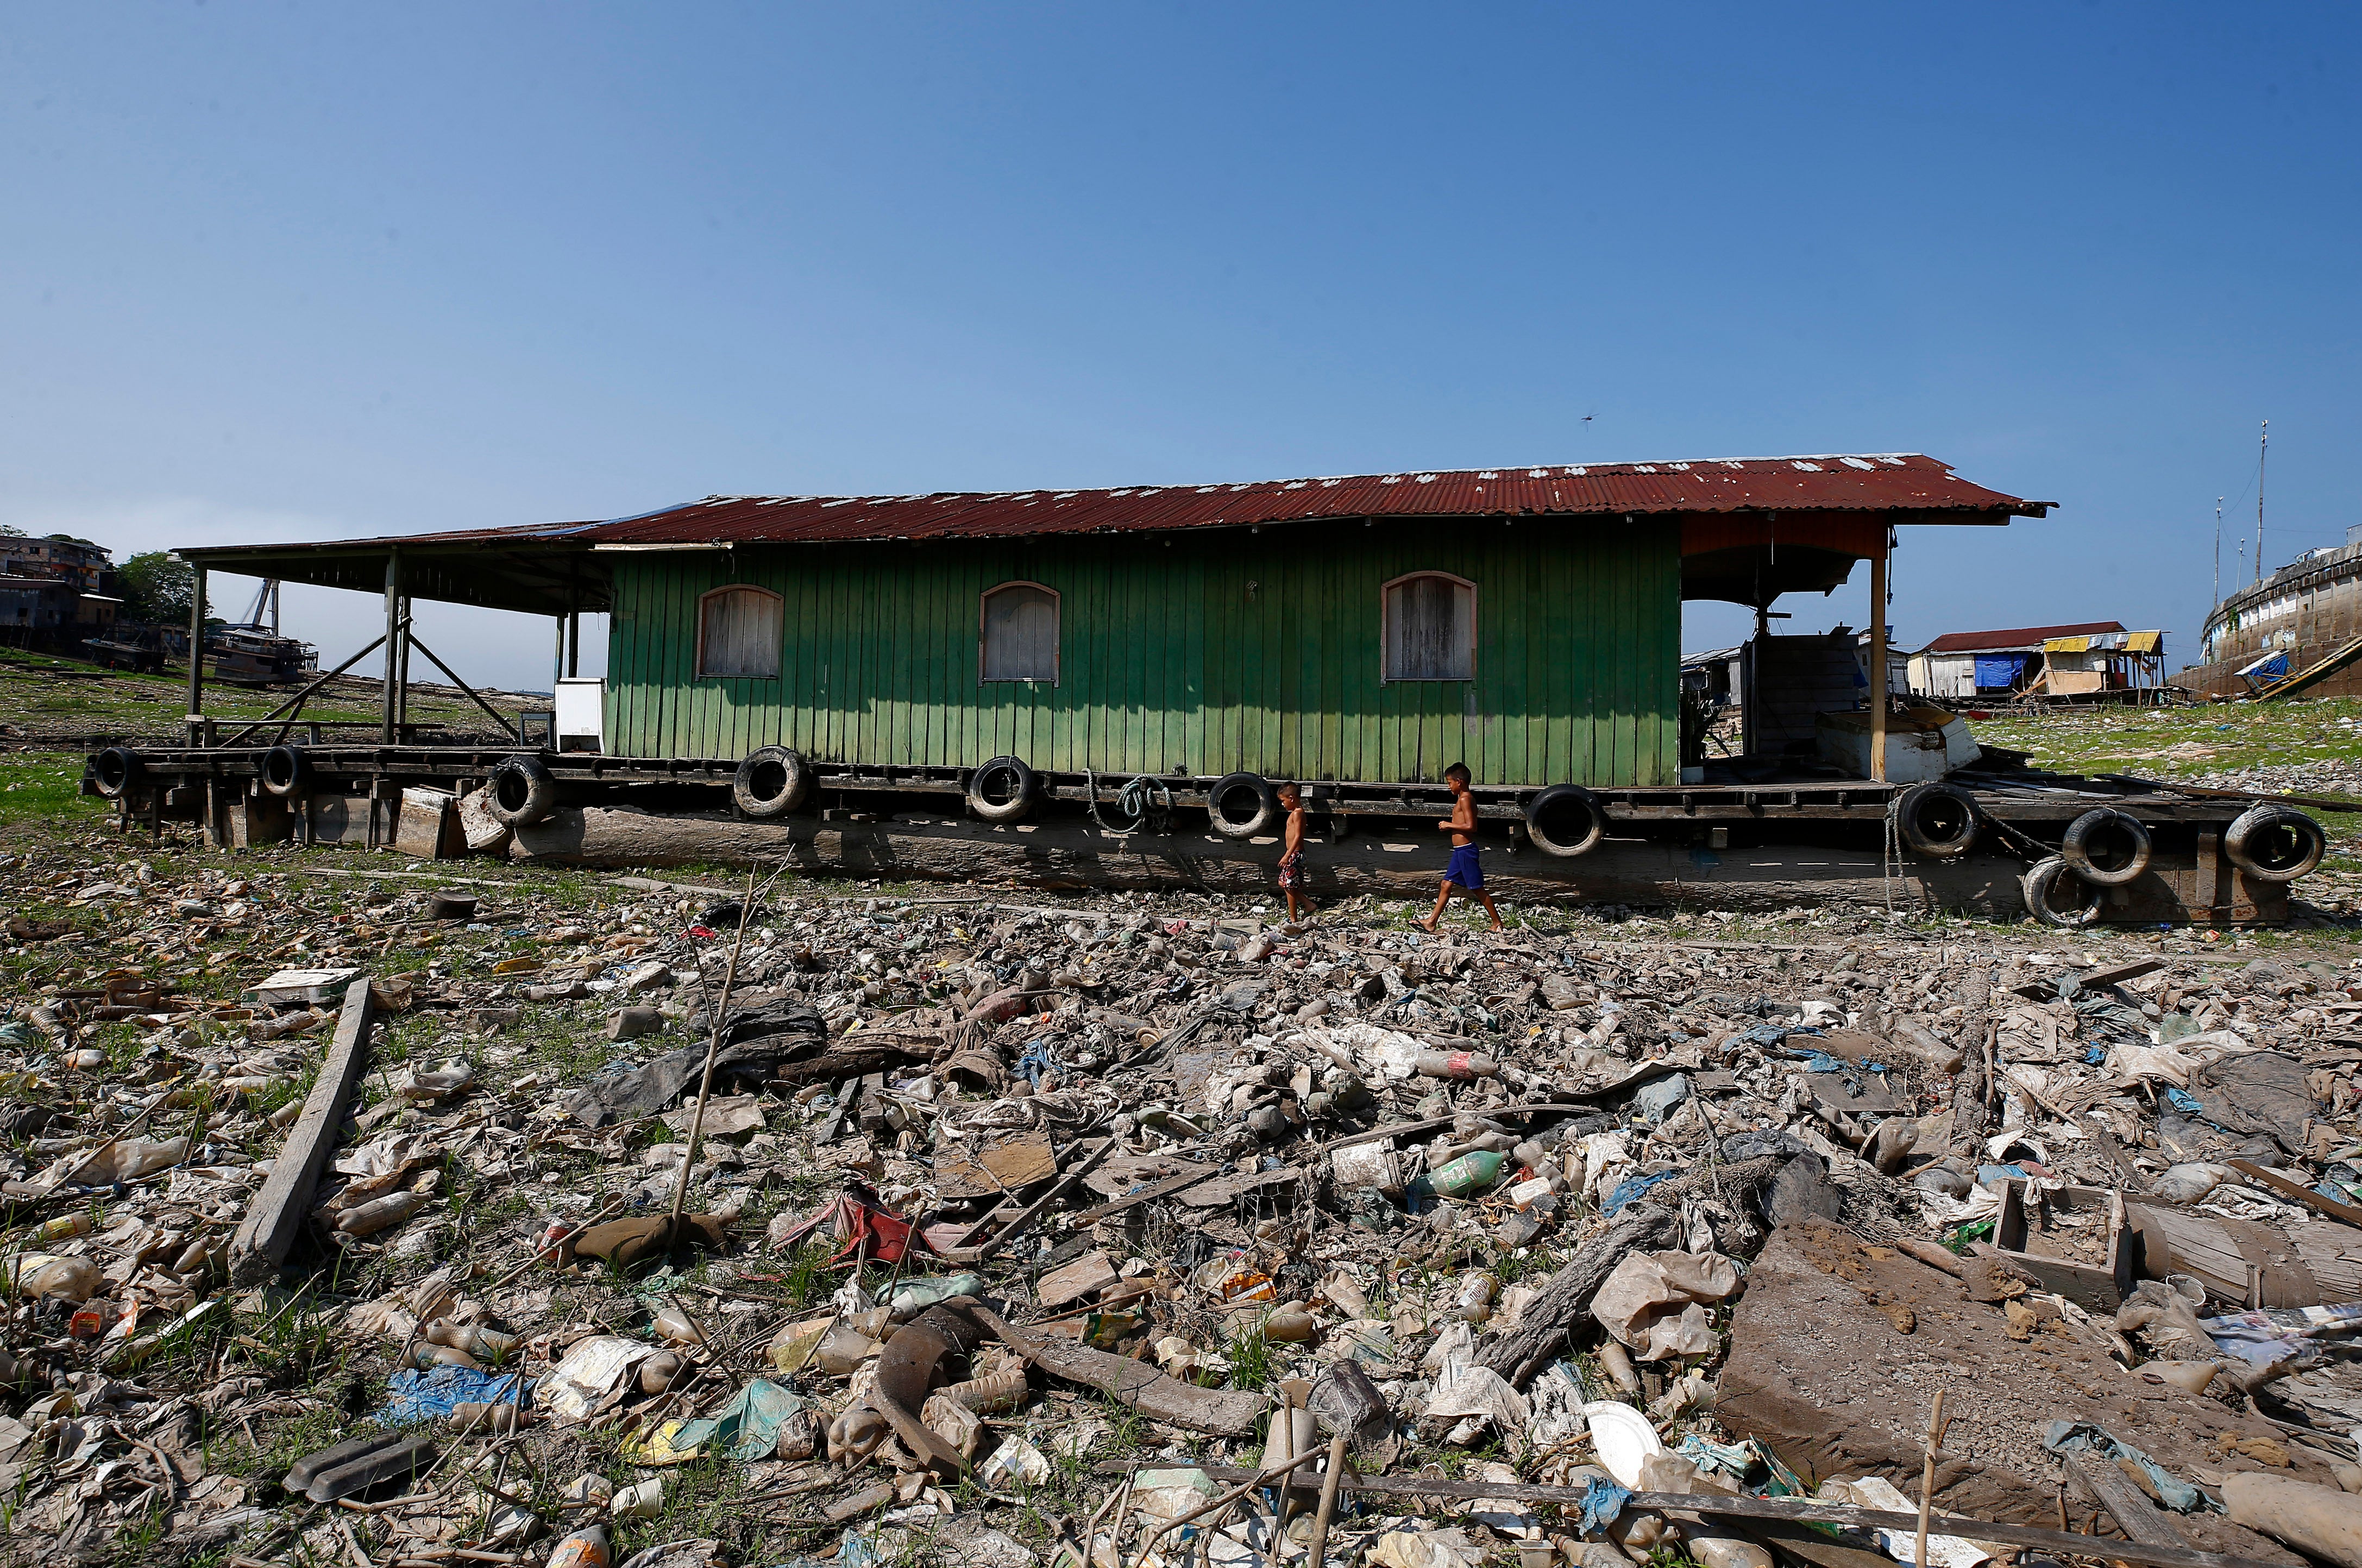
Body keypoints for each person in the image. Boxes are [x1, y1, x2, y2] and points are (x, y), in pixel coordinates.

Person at [1419, 761, 1503, 933]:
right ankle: (1431, 922)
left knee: (1477, 888)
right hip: (1459, 852)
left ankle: (1497, 924)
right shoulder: (1461, 798)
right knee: (1446, 885)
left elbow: (1472, 827)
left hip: (1466, 851)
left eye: (1450, 783)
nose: (1449, 787)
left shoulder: (1466, 799)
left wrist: (1449, 826)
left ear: (1459, 782)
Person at [1275, 781, 1318, 927]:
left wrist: (1288, 855)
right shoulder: (1295, 813)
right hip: (1293, 854)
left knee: (1289, 886)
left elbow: (1299, 836)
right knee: (1284, 883)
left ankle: (1293, 919)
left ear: (1292, 798)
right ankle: (1308, 904)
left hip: (1295, 854)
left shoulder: (1298, 813)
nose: (1282, 804)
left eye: (1283, 801)